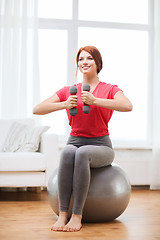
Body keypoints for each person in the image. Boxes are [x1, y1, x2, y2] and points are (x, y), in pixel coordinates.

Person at [33, 46, 133, 232]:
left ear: (98, 63)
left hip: (101, 145)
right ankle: (63, 215)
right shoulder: (70, 90)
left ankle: (77, 215)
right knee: (68, 151)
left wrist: (95, 101)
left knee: (83, 153)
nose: (84, 62)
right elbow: (37, 109)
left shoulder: (109, 89)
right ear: (77, 65)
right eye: (80, 59)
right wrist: (63, 104)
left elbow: (127, 106)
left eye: (89, 58)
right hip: (74, 141)